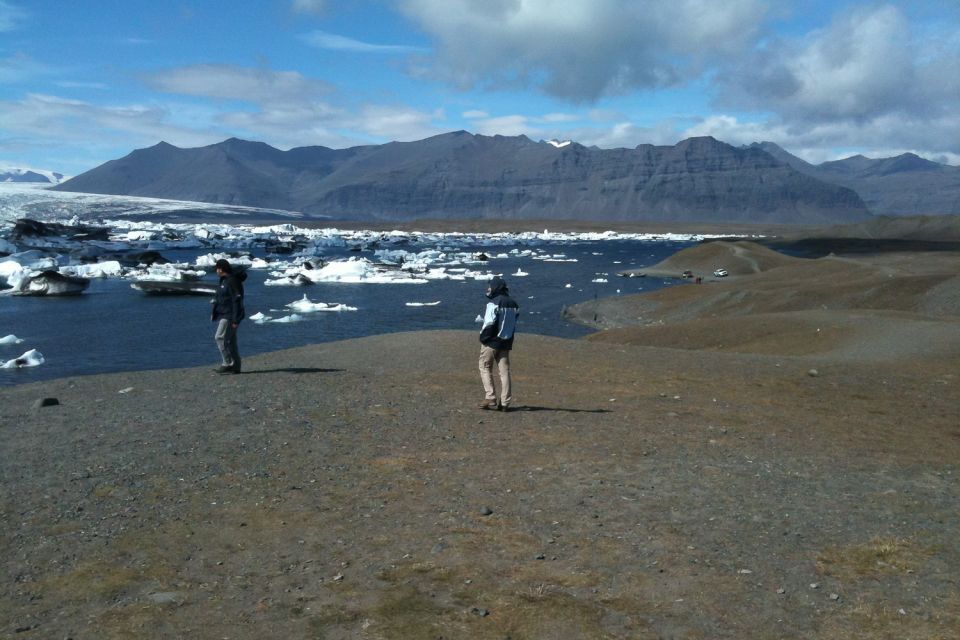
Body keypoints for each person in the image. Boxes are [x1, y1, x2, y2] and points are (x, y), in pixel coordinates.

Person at [478, 275, 519, 411]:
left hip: (491, 342)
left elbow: (489, 323)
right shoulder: (514, 304)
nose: (488, 289)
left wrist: (484, 338)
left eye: (490, 286)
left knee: (484, 367)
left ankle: (490, 397)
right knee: (504, 371)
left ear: (496, 287)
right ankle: (505, 402)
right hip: (506, 342)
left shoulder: (494, 303)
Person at [211, 258, 247, 374]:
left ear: (221, 269)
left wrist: (236, 319)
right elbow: (221, 298)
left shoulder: (231, 281)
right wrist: (214, 312)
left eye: (217, 268)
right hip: (224, 313)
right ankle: (236, 366)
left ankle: (227, 363)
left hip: (230, 315)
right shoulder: (224, 280)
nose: (216, 271)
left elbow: (237, 300)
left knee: (219, 337)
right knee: (231, 341)